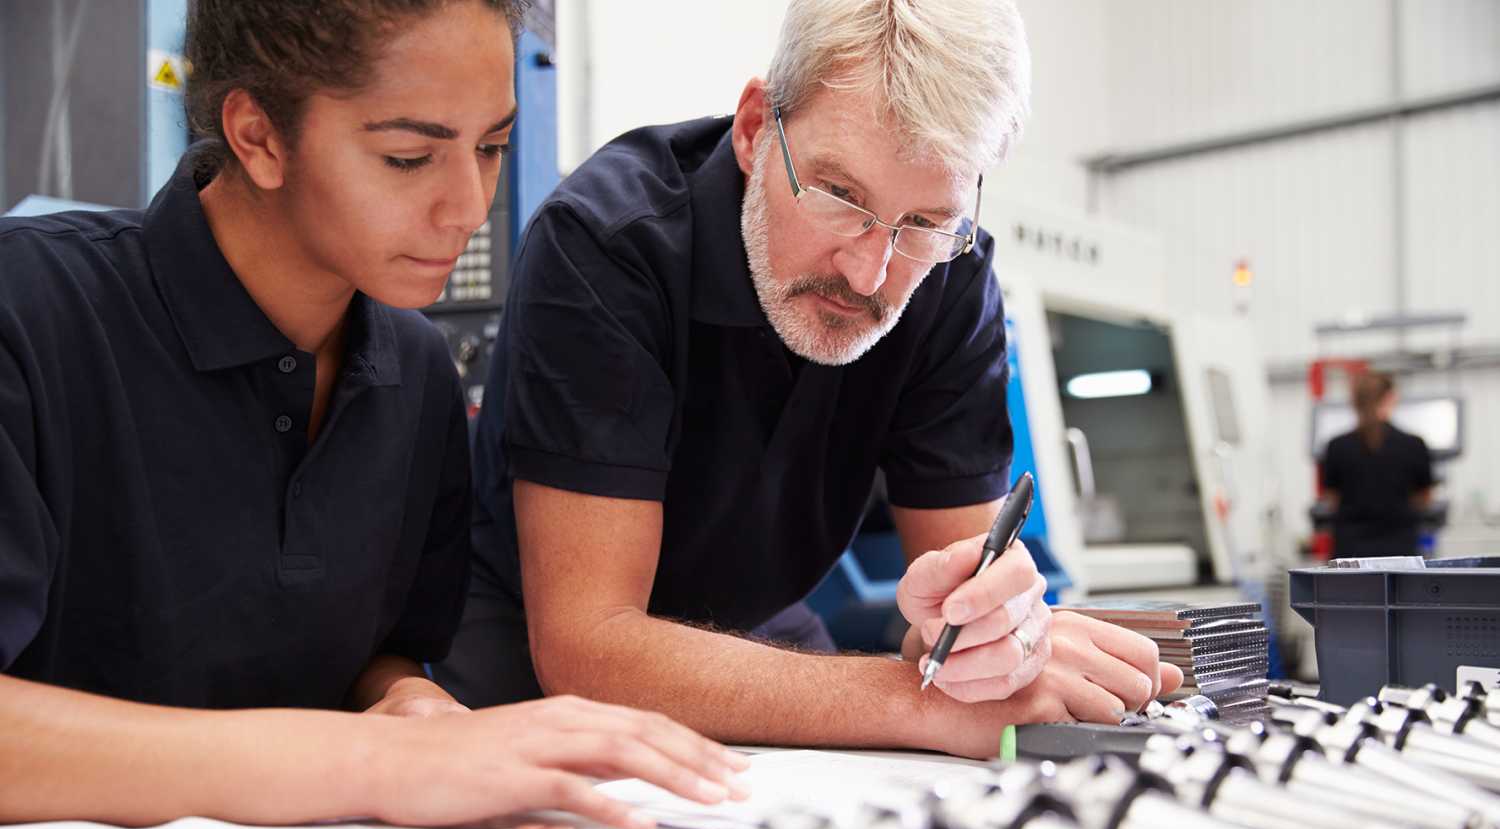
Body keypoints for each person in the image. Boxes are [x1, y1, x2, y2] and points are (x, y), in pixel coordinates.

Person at [0, 0, 746, 829]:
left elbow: (378, 653)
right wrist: (372, 763)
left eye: (492, 146)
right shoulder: (29, 315)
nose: (467, 205)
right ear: (257, 136)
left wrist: (411, 703)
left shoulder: (414, 369)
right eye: (407, 157)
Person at [441, 0, 1183, 759]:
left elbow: (963, 619)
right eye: (840, 196)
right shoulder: (607, 246)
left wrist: (1001, 637)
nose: (871, 272)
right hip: (533, 654)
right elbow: (590, 648)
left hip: (758, 631)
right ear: (756, 128)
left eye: (925, 222)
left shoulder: (949, 279)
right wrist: (916, 704)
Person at [1323, 371, 1435, 558]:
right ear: (1390, 398)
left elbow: (1332, 500)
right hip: (1400, 553)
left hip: (1350, 553)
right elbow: (1424, 499)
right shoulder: (1413, 444)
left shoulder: (1337, 446)